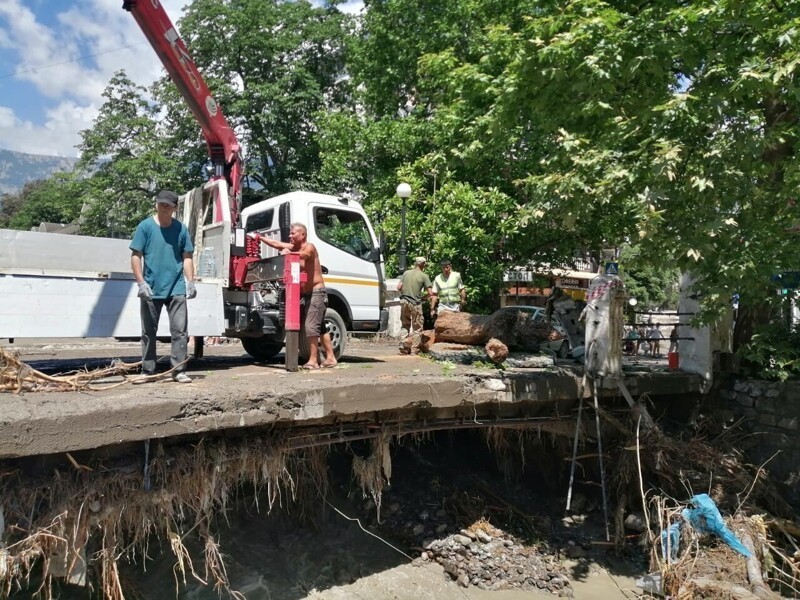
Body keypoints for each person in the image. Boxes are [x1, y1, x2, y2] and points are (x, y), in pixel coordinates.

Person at [130, 190, 197, 383]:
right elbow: (136, 256)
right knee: (148, 331)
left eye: (168, 205)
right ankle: (147, 371)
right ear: (156, 204)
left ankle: (178, 371)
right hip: (151, 288)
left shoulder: (181, 229)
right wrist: (141, 283)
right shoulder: (145, 227)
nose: (163, 207)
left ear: (175, 208)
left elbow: (187, 257)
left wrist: (190, 281)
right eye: (161, 204)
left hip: (176, 287)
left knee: (180, 331)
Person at [250, 223, 337, 369]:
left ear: (303, 235)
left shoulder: (309, 247)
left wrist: (288, 254)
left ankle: (313, 361)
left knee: (311, 327)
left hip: (317, 292)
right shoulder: (294, 248)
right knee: (320, 327)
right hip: (306, 293)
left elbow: (305, 255)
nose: (290, 236)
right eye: (290, 233)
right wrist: (259, 238)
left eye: (293, 233)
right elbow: (277, 244)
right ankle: (331, 358)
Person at [397, 256, 434, 354]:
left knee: (405, 324)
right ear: (422, 264)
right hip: (415, 303)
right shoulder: (423, 276)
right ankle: (414, 349)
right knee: (417, 327)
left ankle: (403, 344)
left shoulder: (406, 273)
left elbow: (399, 287)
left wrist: (405, 293)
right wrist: (423, 298)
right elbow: (430, 293)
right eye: (425, 264)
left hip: (404, 301)